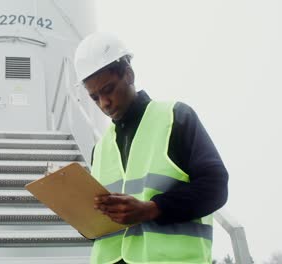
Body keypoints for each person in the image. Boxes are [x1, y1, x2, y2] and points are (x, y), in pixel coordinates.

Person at [74, 32, 228, 264]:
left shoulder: (175, 117)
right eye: (94, 97)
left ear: (129, 74)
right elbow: (99, 228)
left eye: (108, 89)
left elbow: (215, 187)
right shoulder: (101, 148)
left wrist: (152, 209)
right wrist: (84, 220)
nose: (104, 103)